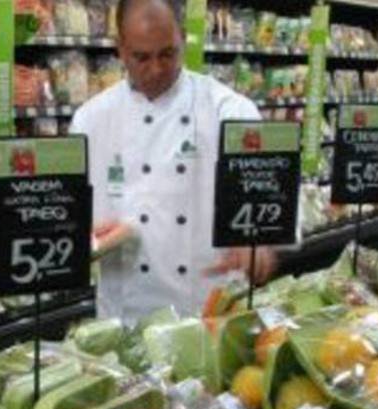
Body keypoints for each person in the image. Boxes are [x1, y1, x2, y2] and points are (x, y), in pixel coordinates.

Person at [70, 0, 277, 320]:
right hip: (124, 320)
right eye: (142, 57)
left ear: (183, 39)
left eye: (168, 54)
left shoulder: (230, 111)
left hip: (204, 311)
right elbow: (69, 223)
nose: (156, 68)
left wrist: (259, 243)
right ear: (120, 50)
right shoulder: (90, 120)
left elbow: (266, 204)